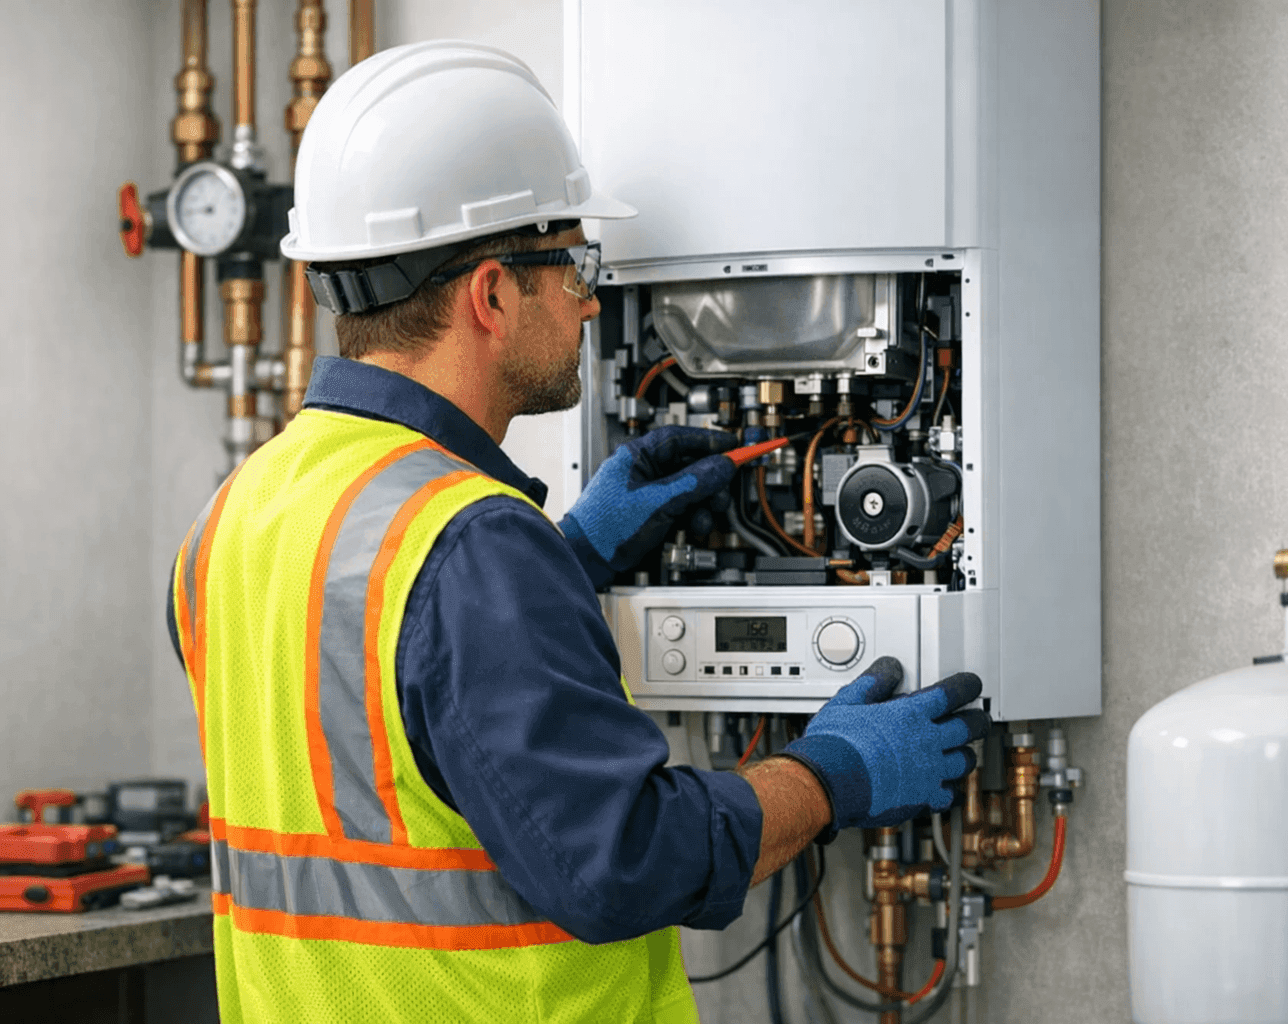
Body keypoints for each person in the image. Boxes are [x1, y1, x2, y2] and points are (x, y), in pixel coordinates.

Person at [167, 40, 986, 1024]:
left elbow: (382, 714)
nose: (594, 301)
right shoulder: (468, 547)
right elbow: (622, 861)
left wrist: (567, 560)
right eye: (576, 265)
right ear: (493, 293)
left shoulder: (234, 514)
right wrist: (830, 774)